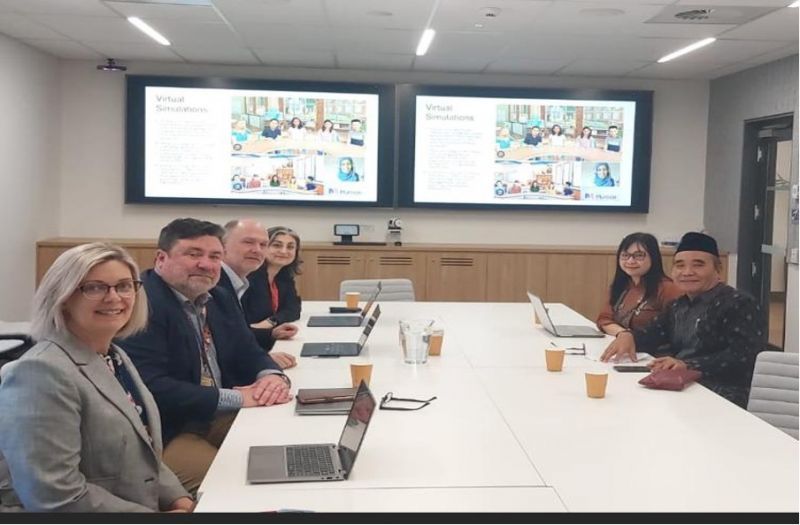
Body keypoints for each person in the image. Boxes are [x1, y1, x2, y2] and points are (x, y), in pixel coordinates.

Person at [0, 243, 192, 512]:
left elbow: (143, 453)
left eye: (124, 286)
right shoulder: (39, 373)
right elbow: (55, 496)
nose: (114, 297)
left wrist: (180, 500)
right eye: (94, 287)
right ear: (63, 298)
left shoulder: (115, 356)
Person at [117, 218, 291, 494]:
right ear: (161, 258)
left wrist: (272, 377)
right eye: (193, 254)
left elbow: (248, 350)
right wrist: (237, 398)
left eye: (214, 257)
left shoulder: (218, 296)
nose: (206, 265)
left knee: (285, 444)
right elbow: (150, 387)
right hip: (166, 428)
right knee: (233, 485)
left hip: (210, 414)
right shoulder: (141, 303)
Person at [600, 232, 766, 407]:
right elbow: (651, 335)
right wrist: (628, 336)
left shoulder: (739, 303)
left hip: (724, 394)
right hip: (681, 386)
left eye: (698, 265)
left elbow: (743, 356)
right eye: (680, 265)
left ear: (718, 269)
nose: (687, 272)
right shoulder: (678, 306)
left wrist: (687, 364)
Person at [220, 219, 298, 370]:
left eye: (263, 245)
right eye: (248, 242)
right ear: (223, 246)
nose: (257, 250)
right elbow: (221, 341)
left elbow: (293, 308)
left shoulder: (281, 276)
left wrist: (271, 332)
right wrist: (259, 358)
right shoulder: (220, 284)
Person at [597, 233, 682, 335]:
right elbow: (604, 319)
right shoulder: (620, 286)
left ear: (653, 257)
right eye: (625, 255)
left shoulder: (668, 289)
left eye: (639, 256)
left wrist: (630, 338)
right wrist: (624, 334)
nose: (630, 261)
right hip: (623, 342)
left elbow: (675, 330)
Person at [242, 226, 303, 363]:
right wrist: (270, 331)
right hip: (248, 349)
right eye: (277, 245)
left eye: (290, 247)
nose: (284, 251)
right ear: (263, 248)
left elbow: (293, 309)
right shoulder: (250, 277)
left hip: (264, 341)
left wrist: (271, 322)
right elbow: (242, 328)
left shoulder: (283, 276)